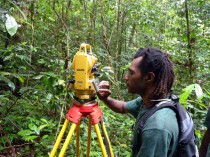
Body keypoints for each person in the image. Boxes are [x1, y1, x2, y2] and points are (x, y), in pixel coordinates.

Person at [97, 47, 179, 157]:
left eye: (131, 73)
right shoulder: (151, 101)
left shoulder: (156, 127)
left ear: (149, 77)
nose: (126, 77)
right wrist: (105, 98)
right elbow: (122, 107)